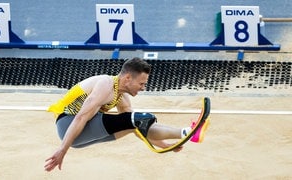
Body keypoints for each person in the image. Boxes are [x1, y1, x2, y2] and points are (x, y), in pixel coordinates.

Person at [44, 57, 207, 172]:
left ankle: (188, 133)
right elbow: (81, 117)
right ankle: (188, 131)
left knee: (136, 123)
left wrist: (164, 145)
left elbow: (138, 129)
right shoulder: (105, 84)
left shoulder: (121, 96)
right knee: (140, 118)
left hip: (80, 134)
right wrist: (62, 150)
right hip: (68, 125)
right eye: (141, 83)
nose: (143, 88)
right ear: (128, 78)